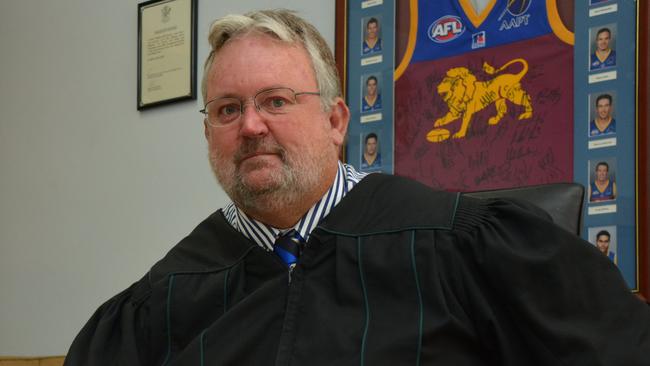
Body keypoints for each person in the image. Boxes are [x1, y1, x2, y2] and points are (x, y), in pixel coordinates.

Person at [64, 9, 649, 365]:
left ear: (338, 121)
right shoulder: (162, 299)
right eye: (226, 109)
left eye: (276, 101)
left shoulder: (455, 245)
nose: (250, 125)